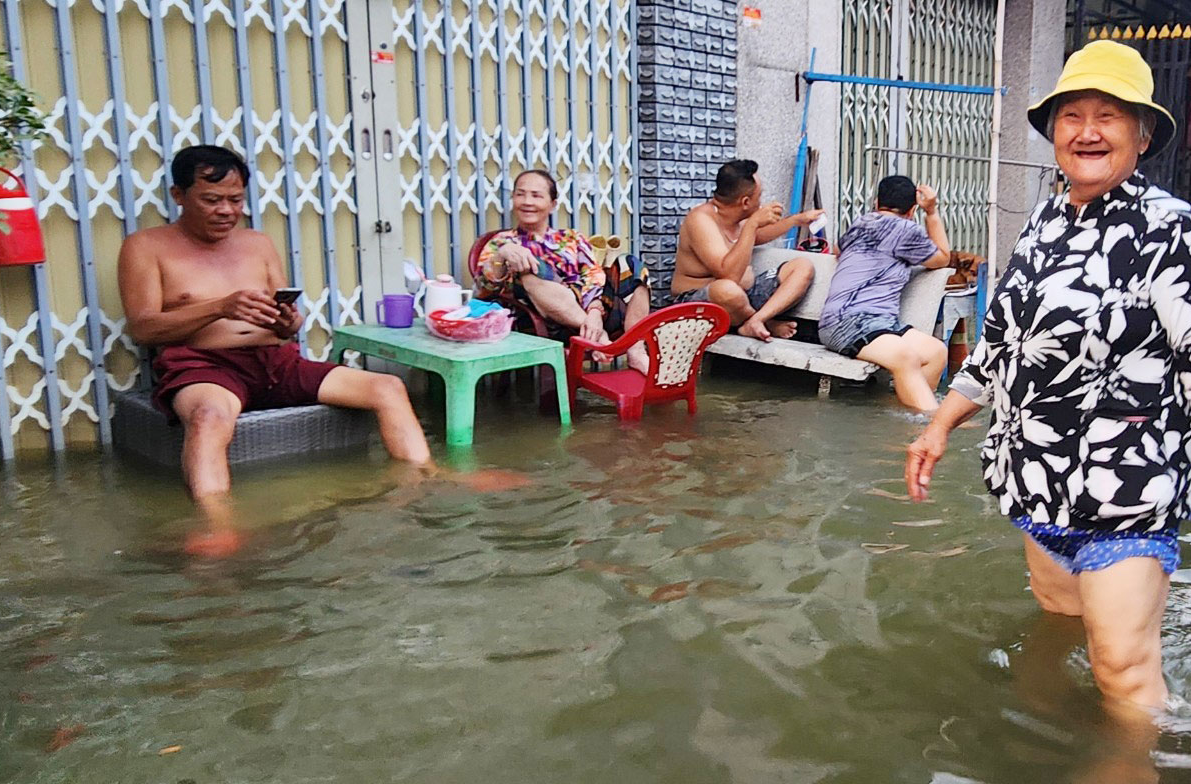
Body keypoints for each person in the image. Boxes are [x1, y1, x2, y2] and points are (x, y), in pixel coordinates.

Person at [904, 39, 1191, 722]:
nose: (1087, 131)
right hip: (1038, 482)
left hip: (1128, 491)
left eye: (1109, 116)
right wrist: (938, 425)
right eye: (1071, 115)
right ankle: (1050, 750)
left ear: (1141, 135)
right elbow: (1001, 342)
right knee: (1059, 623)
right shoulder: (1045, 223)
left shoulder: (1174, 233)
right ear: (1054, 131)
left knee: (1122, 669)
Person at [118, 145, 430, 538]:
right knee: (209, 418)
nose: (226, 211)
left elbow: (288, 326)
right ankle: (217, 525)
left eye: (235, 200)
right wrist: (219, 308)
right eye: (212, 200)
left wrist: (288, 321)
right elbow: (144, 329)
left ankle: (423, 481)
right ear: (179, 196)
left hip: (276, 360)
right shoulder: (146, 246)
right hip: (204, 366)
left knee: (387, 386)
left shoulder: (257, 243)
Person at [471, 169, 650, 370]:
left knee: (630, 264)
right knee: (530, 268)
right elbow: (483, 289)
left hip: (593, 314)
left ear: (552, 204)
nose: (527, 201)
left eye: (536, 195)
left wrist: (594, 313)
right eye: (520, 194)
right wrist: (502, 255)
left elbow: (593, 275)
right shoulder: (503, 242)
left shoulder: (571, 238)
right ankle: (597, 336)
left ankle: (636, 350)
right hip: (542, 324)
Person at [818, 174, 951, 412]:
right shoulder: (907, 230)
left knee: (936, 352)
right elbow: (943, 258)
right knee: (905, 356)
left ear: (877, 201)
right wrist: (931, 212)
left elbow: (838, 250)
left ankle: (907, 412)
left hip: (878, 322)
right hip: (846, 323)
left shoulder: (861, 222)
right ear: (912, 210)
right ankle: (930, 422)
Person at [667, 158, 819, 340]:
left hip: (742, 299)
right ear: (745, 202)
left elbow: (759, 235)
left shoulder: (735, 215)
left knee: (802, 266)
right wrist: (752, 224)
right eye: (759, 196)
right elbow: (729, 276)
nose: (761, 203)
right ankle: (764, 323)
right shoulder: (701, 220)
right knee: (727, 289)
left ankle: (756, 320)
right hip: (702, 302)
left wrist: (796, 220)